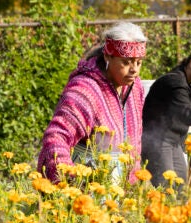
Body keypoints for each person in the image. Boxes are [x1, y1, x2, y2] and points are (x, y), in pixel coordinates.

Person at [37, 22, 147, 184]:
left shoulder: (134, 86)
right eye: (126, 62)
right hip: (85, 190)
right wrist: (69, 182)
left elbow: (135, 142)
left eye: (138, 62)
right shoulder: (85, 89)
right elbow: (56, 138)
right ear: (108, 56)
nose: (134, 70)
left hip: (120, 191)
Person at [141, 47, 191, 187]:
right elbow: (187, 115)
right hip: (157, 141)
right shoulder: (175, 82)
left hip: (173, 142)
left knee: (181, 188)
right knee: (166, 190)